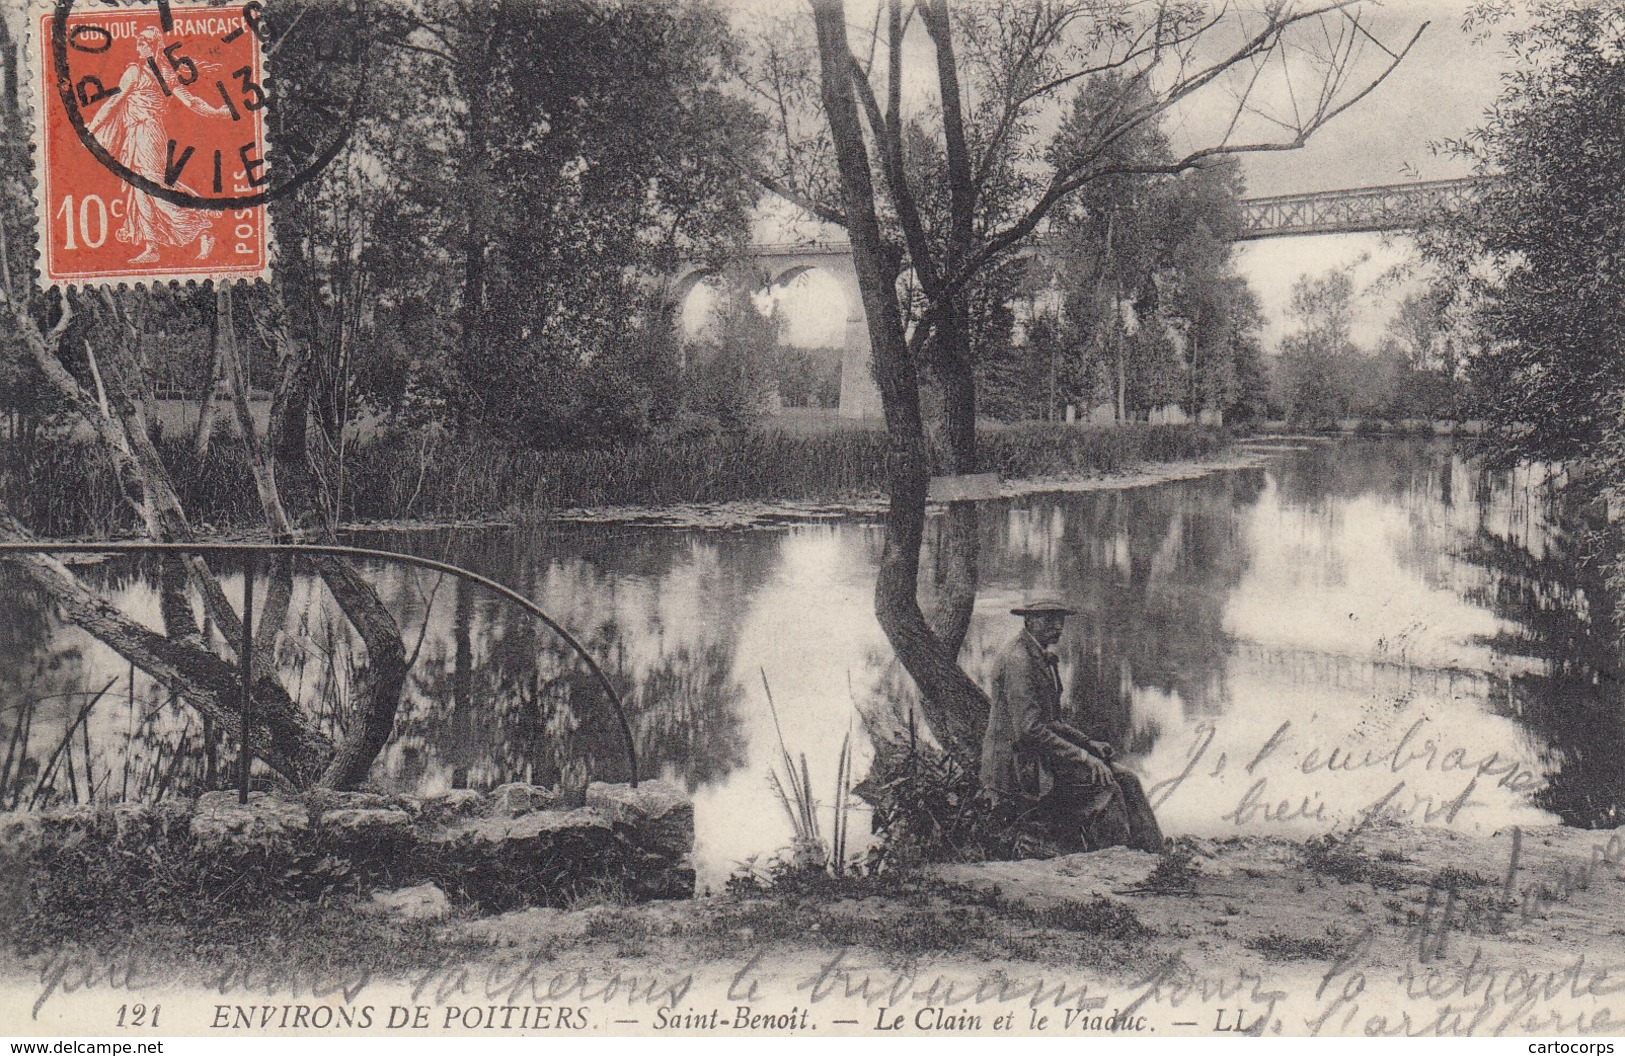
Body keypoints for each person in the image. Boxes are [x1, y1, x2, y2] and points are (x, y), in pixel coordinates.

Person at [980, 595, 1163, 852]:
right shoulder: (1019, 660)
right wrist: (1083, 757)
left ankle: (1155, 854)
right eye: (1049, 620)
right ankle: (1119, 856)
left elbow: (1051, 722)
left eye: (1060, 620)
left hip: (1038, 755)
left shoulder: (1038, 655)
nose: (1057, 627)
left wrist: (1089, 745)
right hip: (1018, 766)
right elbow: (1029, 730)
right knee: (1105, 784)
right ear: (1029, 621)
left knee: (1128, 778)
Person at [84, 28, 227, 264]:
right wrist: (217, 113)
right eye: (138, 42)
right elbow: (191, 102)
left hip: (147, 133)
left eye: (142, 42)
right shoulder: (162, 74)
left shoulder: (138, 71)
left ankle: (202, 230)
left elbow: (113, 103)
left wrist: (91, 130)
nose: (138, 46)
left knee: (155, 190)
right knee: (140, 190)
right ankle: (152, 246)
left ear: (153, 46)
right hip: (138, 134)